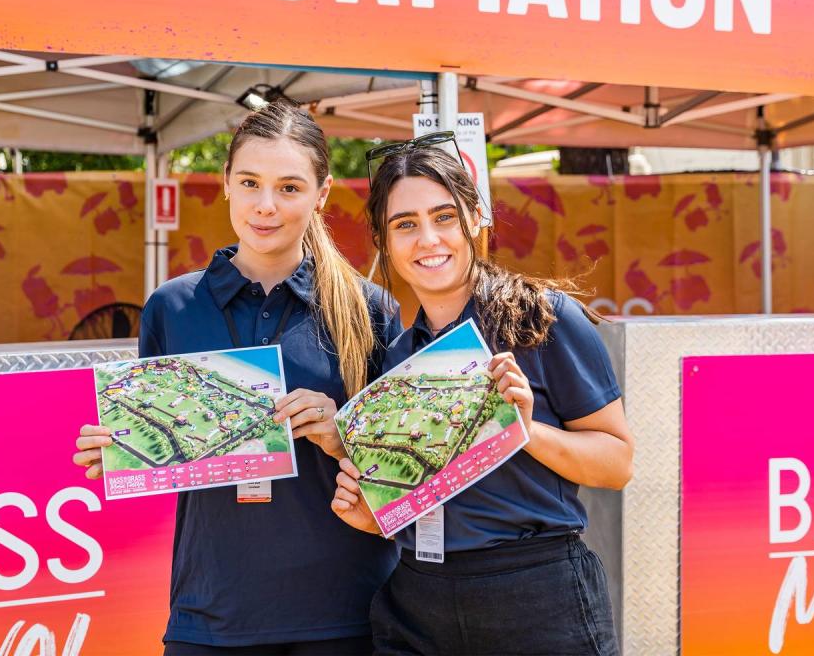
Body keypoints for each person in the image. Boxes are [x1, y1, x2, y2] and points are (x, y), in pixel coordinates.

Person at [73, 102, 401, 655]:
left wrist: (341, 432)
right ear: (226, 184)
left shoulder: (369, 310)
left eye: (289, 188)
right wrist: (125, 453)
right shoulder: (172, 308)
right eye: (250, 182)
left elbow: (404, 474)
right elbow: (169, 455)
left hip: (347, 612)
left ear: (322, 195)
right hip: (211, 611)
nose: (265, 206)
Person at [331, 136, 633, 656]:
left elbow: (617, 464)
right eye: (405, 224)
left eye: (444, 216)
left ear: (474, 218)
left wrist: (525, 431)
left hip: (537, 597)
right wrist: (373, 515)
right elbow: (418, 495)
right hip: (418, 600)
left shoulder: (542, 319)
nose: (428, 239)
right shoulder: (398, 357)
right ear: (383, 240)